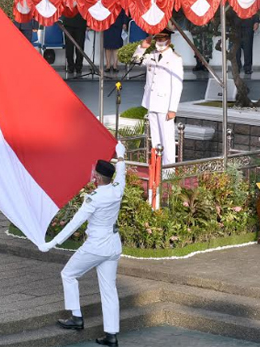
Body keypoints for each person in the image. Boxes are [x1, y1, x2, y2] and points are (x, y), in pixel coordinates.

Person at [39, 142, 126, 347]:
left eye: (94, 174)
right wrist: (121, 155)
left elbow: (74, 223)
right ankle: (111, 336)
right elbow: (122, 173)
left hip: (96, 246)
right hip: (113, 246)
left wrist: (51, 243)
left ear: (97, 177)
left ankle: (76, 318)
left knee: (68, 274)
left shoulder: (93, 199)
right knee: (109, 290)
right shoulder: (117, 188)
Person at [132, 27, 183, 167]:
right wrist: (142, 48)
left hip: (165, 104)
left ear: (168, 39)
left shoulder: (175, 59)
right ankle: (157, 167)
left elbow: (177, 85)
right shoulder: (151, 55)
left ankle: (168, 169)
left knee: (167, 139)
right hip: (151, 102)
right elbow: (135, 61)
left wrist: (173, 108)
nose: (159, 42)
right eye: (157, 39)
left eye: (162, 39)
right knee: (155, 138)